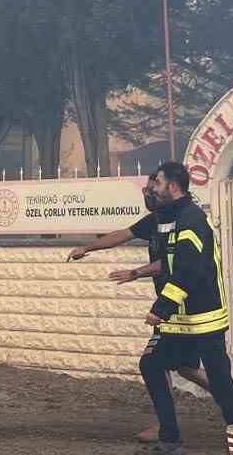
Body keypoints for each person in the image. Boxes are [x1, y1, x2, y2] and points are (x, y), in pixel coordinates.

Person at [127, 163, 233, 455]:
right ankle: (170, 443)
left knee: (222, 386)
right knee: (152, 364)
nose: (150, 187)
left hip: (203, 319)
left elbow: (188, 271)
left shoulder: (192, 221)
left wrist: (161, 307)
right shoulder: (170, 218)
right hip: (180, 318)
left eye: (155, 182)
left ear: (173, 186)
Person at [67, 182, 212, 441]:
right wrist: (87, 248)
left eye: (154, 187)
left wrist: (136, 272)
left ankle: (165, 428)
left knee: (153, 363)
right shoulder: (156, 220)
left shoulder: (184, 220)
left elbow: (175, 262)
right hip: (174, 304)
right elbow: (123, 234)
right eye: (147, 189)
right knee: (185, 366)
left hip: (177, 304)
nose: (149, 193)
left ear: (172, 188)